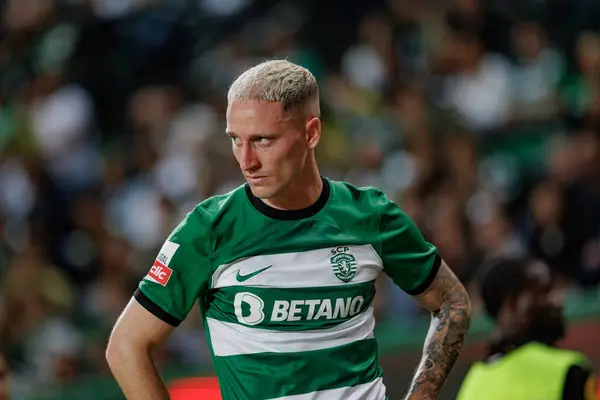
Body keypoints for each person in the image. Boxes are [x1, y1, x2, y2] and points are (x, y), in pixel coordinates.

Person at [106, 59, 471, 400]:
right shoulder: (209, 229)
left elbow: (452, 302)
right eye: (236, 139)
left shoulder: (370, 216)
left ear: (311, 133)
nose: (246, 161)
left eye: (263, 140)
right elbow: (126, 346)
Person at [457, 258, 598, 400]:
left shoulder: (473, 384)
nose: (558, 302)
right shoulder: (566, 370)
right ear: (512, 305)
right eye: (544, 293)